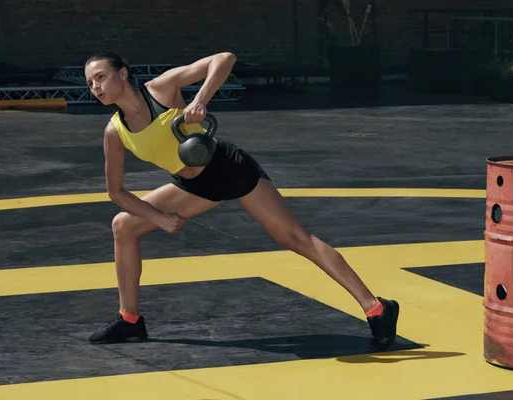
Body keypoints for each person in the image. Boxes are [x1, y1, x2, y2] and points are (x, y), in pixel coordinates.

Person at [84, 50, 399, 351]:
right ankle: (130, 320)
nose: (96, 87)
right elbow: (117, 192)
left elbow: (224, 59)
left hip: (229, 168)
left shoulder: (161, 89)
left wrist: (200, 99)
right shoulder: (114, 132)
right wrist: (158, 218)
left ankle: (377, 310)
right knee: (124, 226)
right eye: (90, 83)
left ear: (122, 74)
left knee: (296, 239)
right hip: (192, 186)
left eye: (100, 77)